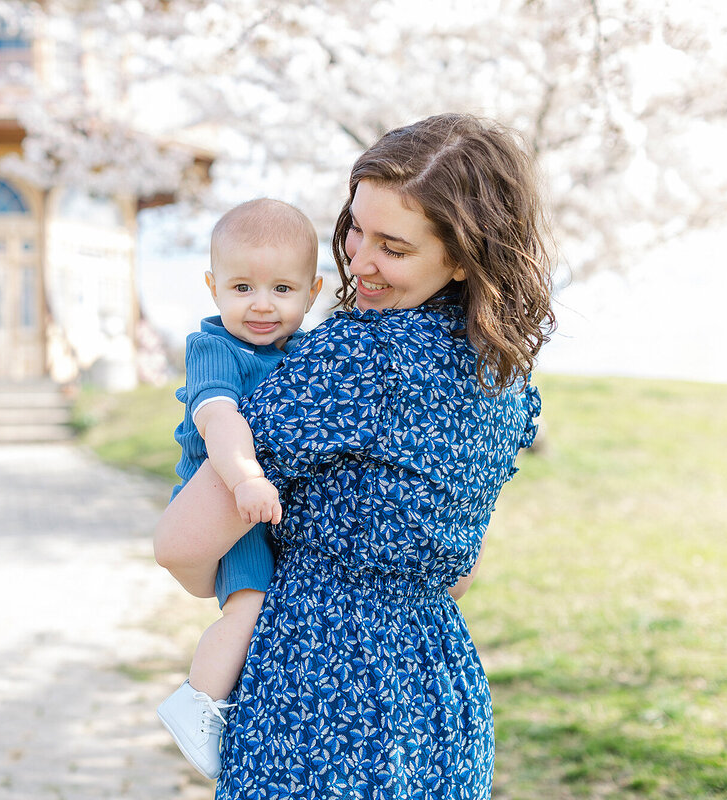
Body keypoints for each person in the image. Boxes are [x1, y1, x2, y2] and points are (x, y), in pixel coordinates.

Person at [153, 113, 556, 799]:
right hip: (439, 697)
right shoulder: (504, 378)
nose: (358, 260)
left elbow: (180, 543)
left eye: (392, 248)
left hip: (317, 694)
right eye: (354, 228)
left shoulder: (354, 359)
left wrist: (232, 588)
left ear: (462, 257)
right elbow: (458, 576)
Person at [156, 198, 324, 780]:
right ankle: (198, 700)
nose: (261, 304)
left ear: (312, 291)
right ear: (212, 287)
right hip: (225, 497)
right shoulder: (214, 349)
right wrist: (246, 476)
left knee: (267, 602)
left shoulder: (303, 352)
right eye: (242, 286)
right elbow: (219, 418)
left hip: (260, 508)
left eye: (282, 289)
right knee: (248, 603)